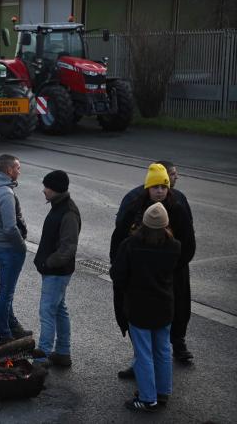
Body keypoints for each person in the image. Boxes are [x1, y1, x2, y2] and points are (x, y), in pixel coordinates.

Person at [111, 163, 196, 374]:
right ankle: (141, 364)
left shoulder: (178, 206)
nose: (160, 191)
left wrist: (168, 267)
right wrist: (121, 271)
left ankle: (169, 353)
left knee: (170, 319)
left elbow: (187, 244)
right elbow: (119, 240)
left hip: (170, 276)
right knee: (138, 324)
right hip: (138, 279)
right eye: (155, 186)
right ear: (147, 187)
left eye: (163, 186)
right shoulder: (133, 204)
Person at [110, 203, 181, 412]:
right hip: (164, 305)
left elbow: (117, 275)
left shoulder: (130, 245)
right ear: (166, 224)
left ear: (143, 224)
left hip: (139, 307)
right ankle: (162, 392)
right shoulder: (174, 246)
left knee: (143, 353)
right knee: (163, 350)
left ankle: (147, 397)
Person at [33, 170, 81, 368]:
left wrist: (48, 263)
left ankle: (42, 356)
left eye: (47, 187)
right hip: (56, 270)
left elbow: (68, 247)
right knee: (59, 310)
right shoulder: (60, 205)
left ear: (56, 189)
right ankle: (62, 352)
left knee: (47, 311)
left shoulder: (68, 212)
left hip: (57, 271)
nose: (44, 190)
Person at [0, 155, 33, 346]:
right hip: (9, 249)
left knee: (7, 290)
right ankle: (4, 334)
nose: (19, 171)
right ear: (9, 170)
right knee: (7, 292)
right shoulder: (5, 193)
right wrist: (22, 246)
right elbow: (10, 227)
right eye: (18, 168)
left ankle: (13, 327)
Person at [116, 160, 192, 225]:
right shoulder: (134, 199)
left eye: (163, 187)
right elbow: (121, 225)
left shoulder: (178, 198)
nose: (176, 177)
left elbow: (187, 226)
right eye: (172, 174)